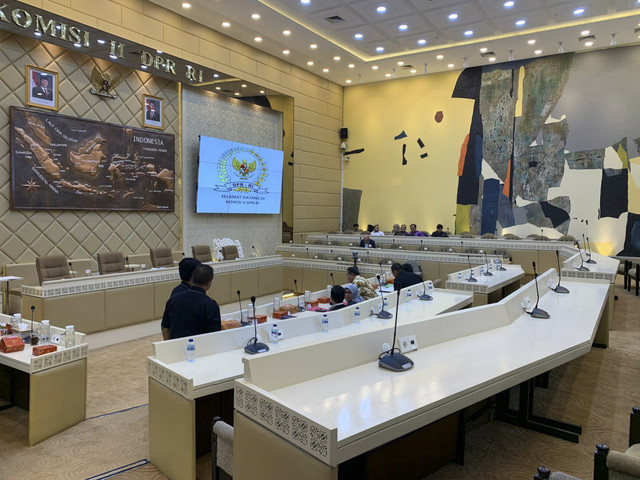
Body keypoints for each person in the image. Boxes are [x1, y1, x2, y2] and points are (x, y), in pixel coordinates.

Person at [161, 264, 221, 340]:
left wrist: (169, 345)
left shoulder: (174, 299)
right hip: (201, 348)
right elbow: (215, 335)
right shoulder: (211, 305)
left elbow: (165, 327)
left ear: (192, 279)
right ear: (209, 284)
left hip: (175, 347)